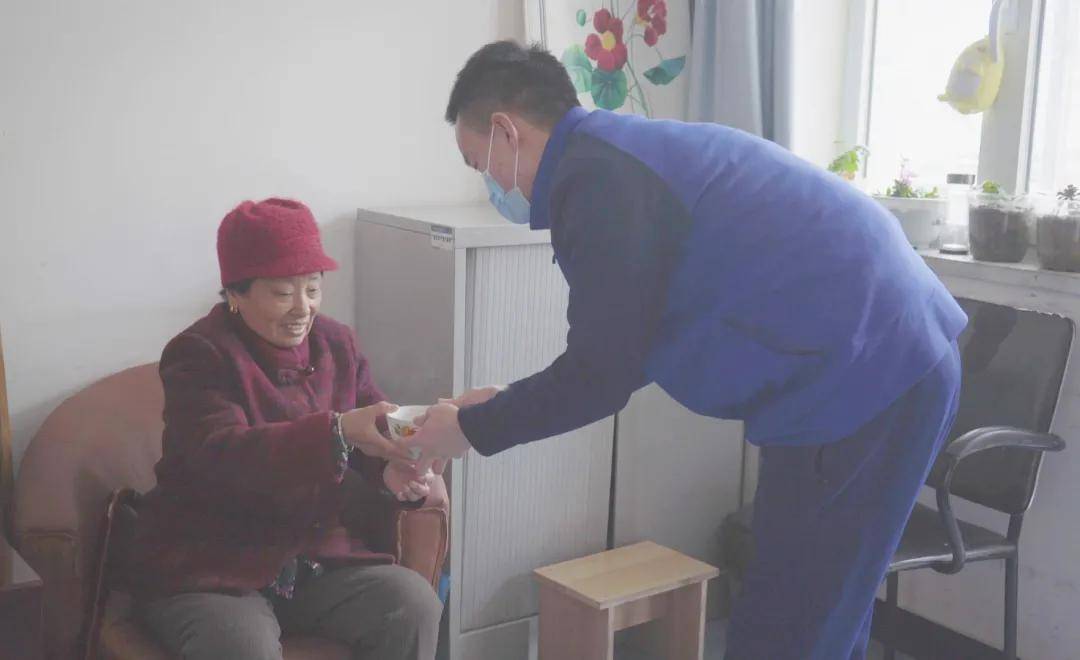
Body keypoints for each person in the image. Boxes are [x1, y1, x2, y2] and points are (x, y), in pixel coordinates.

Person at [406, 41, 968, 660]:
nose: (488, 183)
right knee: (823, 616)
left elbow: (600, 374)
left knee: (788, 630)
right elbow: (628, 338)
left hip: (864, 375)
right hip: (882, 358)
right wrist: (504, 403)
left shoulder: (598, 183)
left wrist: (471, 428)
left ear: (506, 132)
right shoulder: (618, 156)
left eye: (477, 162)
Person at [127, 198, 442, 660]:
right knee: (240, 647)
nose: (303, 308)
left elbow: (372, 431)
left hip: (312, 560)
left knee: (412, 604)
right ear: (235, 294)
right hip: (211, 565)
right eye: (281, 293)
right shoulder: (198, 354)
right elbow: (220, 453)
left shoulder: (336, 343)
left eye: (313, 288)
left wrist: (395, 472)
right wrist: (336, 432)